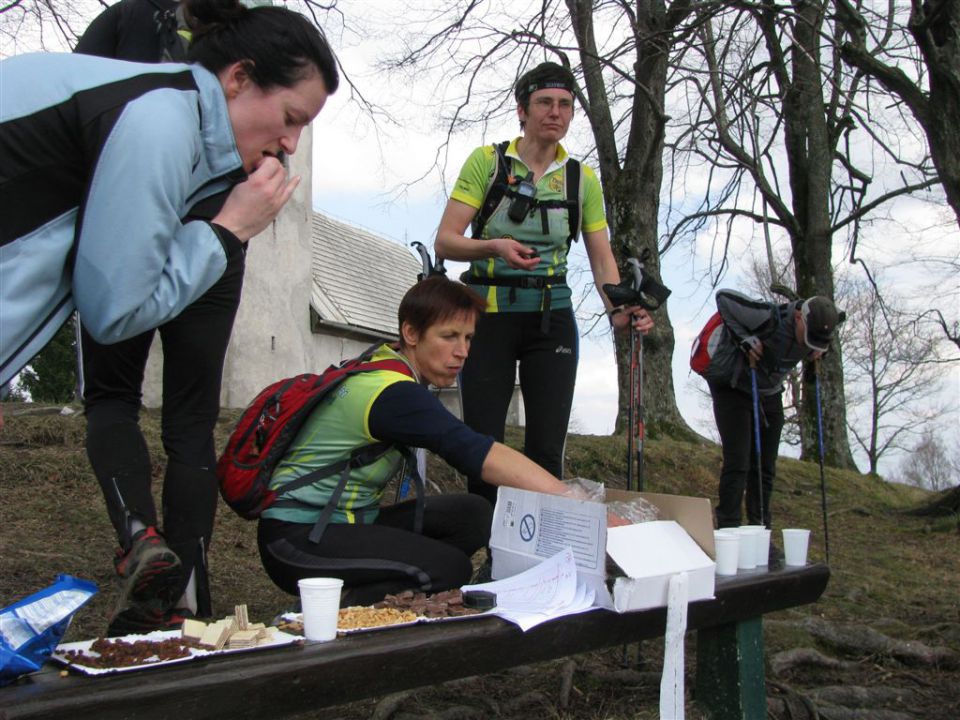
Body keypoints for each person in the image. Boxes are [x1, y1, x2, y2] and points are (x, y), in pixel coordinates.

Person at [0, 0, 340, 634]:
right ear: (238, 77)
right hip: (187, 246)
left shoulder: (163, 101)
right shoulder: (160, 117)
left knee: (148, 408)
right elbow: (114, 310)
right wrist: (230, 227)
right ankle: (185, 595)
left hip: (187, 245)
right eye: (291, 118)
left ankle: (160, 563)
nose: (291, 144)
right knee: (172, 415)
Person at [257, 277, 596, 606]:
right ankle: (337, 608)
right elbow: (478, 453)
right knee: (450, 569)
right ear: (411, 333)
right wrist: (575, 502)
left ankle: (386, 583)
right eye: (449, 336)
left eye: (468, 338)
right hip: (296, 538)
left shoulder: (385, 364)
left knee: (474, 513)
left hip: (347, 520)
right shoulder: (394, 393)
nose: (463, 352)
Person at [435, 61, 654, 507]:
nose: (555, 112)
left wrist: (618, 309)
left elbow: (600, 255)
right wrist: (495, 246)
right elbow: (447, 241)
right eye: (544, 103)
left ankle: (539, 556)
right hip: (487, 315)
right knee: (482, 442)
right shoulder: (488, 162)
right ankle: (486, 545)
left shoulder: (580, 179)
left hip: (551, 317)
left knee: (546, 449)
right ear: (522, 109)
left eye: (565, 105)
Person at [706, 290, 841, 532]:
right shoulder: (767, 316)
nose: (809, 344)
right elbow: (723, 298)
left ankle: (760, 532)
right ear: (800, 317)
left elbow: (818, 345)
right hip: (733, 387)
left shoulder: (819, 331)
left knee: (765, 467)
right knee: (739, 461)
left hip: (768, 392)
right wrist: (743, 339)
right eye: (809, 338)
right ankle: (729, 530)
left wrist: (817, 356)